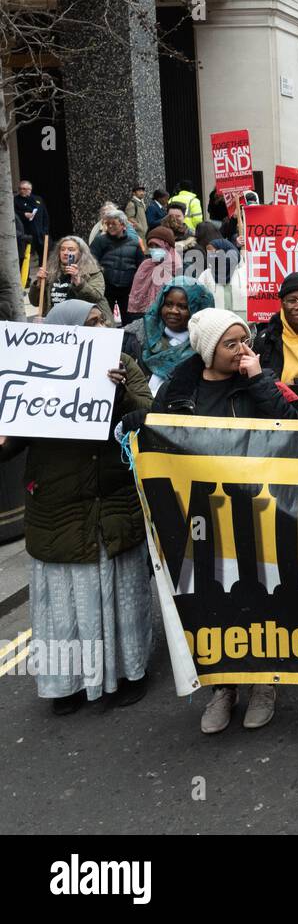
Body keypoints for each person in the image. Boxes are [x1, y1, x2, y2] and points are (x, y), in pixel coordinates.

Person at [144, 308, 298, 732]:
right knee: (215, 600)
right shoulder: (179, 388)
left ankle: (265, 682)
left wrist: (259, 380)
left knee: (261, 592)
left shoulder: (257, 380)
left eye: (245, 340)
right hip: (200, 515)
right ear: (209, 350)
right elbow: (156, 437)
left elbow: (292, 427)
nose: (243, 349)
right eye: (231, 344)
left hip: (257, 511)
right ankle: (223, 687)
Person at [0, 300, 154, 715]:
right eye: (90, 322)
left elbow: (149, 416)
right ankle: (64, 684)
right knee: (65, 599)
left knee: (118, 590)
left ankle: (127, 672)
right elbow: (13, 439)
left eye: (102, 319)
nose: (102, 326)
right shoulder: (35, 364)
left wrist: (120, 392)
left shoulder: (124, 362)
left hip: (111, 499)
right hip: (58, 503)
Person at [123, 276, 215, 393]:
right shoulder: (136, 336)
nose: (173, 311)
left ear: (197, 310)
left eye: (182, 307)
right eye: (168, 304)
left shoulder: (207, 348)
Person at [30, 235, 112, 320]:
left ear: (81, 253)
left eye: (71, 250)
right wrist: (38, 284)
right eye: (62, 249)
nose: (65, 253)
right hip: (57, 322)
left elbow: (96, 298)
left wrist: (79, 283)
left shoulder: (92, 272)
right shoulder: (50, 272)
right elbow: (35, 302)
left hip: (84, 322)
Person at [90, 209, 144, 322]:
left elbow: (141, 266)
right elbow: (91, 261)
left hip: (127, 289)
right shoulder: (100, 240)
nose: (110, 226)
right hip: (106, 287)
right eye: (107, 223)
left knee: (129, 321)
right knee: (105, 320)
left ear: (123, 224)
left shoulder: (134, 242)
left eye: (113, 223)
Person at [126, 226, 182, 323]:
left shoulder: (175, 266)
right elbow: (136, 291)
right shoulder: (146, 265)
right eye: (151, 246)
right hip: (140, 315)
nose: (153, 249)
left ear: (167, 246)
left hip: (165, 316)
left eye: (157, 246)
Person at [13, 179, 49, 267]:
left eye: (25, 189)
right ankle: (26, 278)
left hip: (39, 232)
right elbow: (13, 214)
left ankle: (42, 275)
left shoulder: (38, 199)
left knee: (43, 255)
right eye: (21, 189)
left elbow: (45, 215)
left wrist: (45, 230)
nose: (22, 191)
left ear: (30, 189)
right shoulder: (15, 200)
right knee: (25, 257)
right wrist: (24, 214)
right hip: (26, 234)